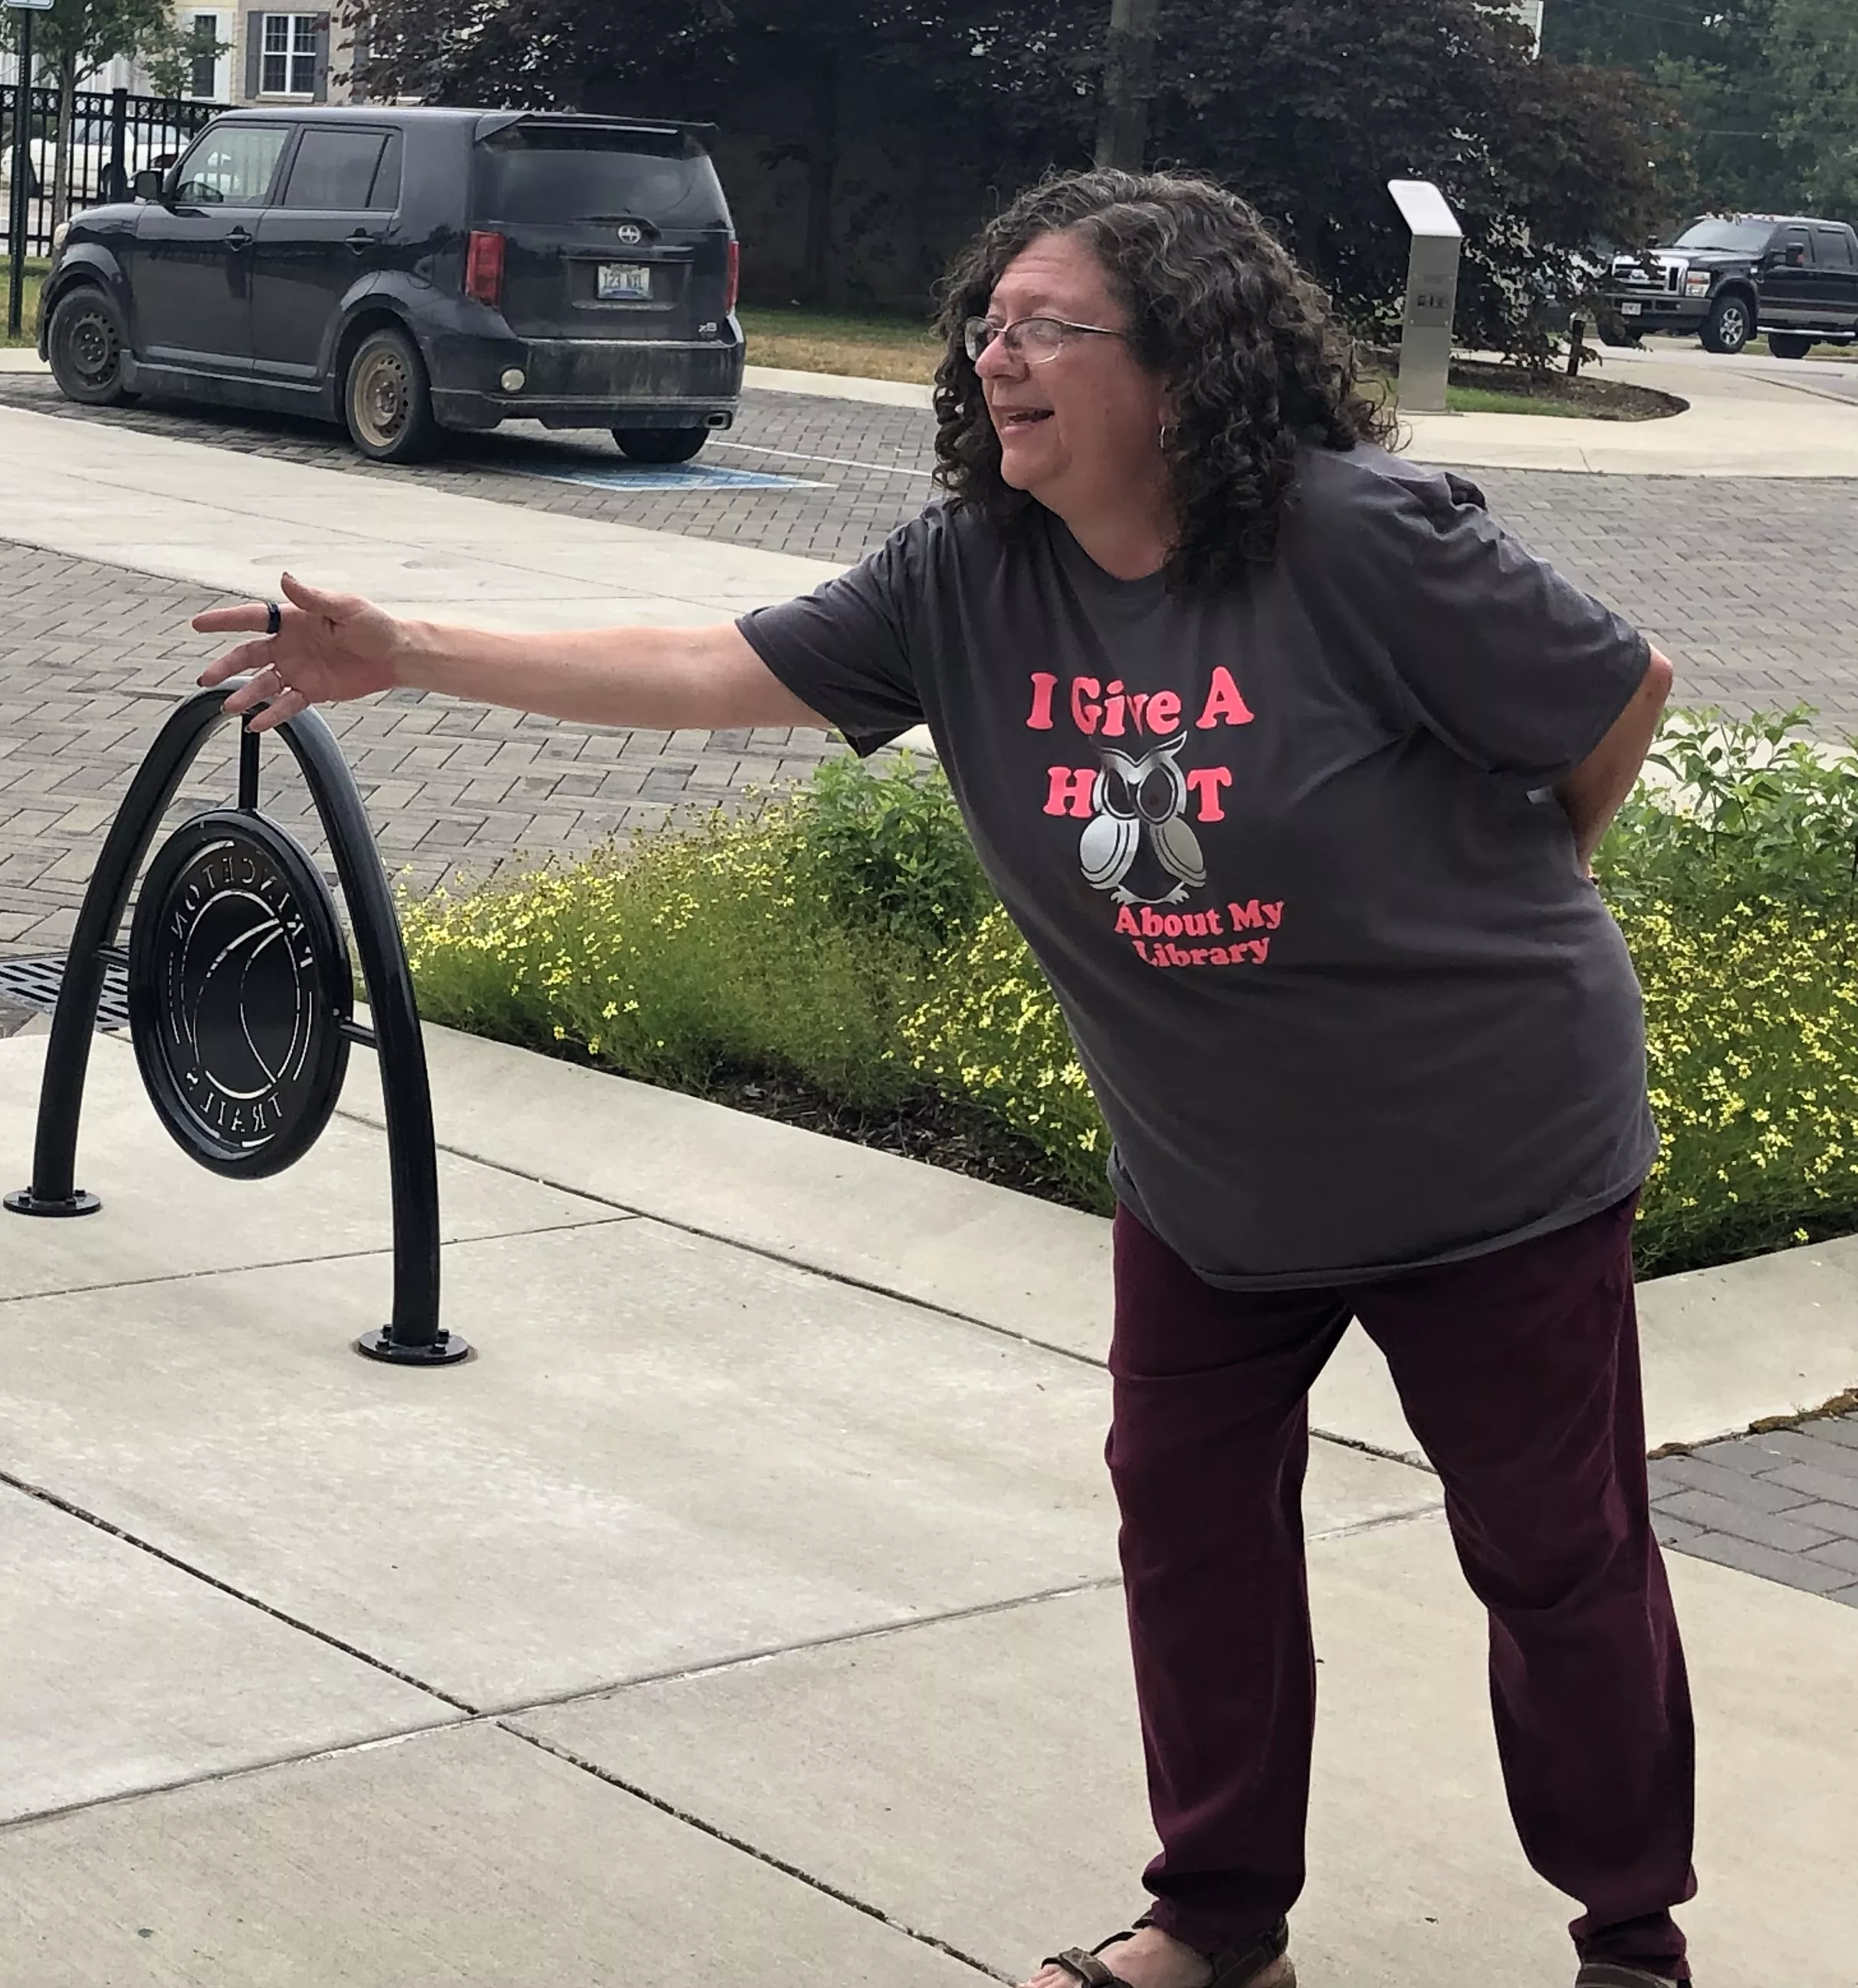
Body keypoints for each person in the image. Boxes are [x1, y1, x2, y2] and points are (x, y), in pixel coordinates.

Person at [193, 170, 1689, 1988]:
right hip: (1214, 1181)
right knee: (1191, 1528)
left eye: (1051, 327)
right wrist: (408, 652)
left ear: (1188, 365)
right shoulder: (970, 577)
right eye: (988, 323)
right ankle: (1219, 1927)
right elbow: (703, 662)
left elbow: (1612, 700)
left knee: (1551, 1556)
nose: (1000, 358)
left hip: (1490, 1159)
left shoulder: (1354, 538)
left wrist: (1504, 909)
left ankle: (1628, 1937)